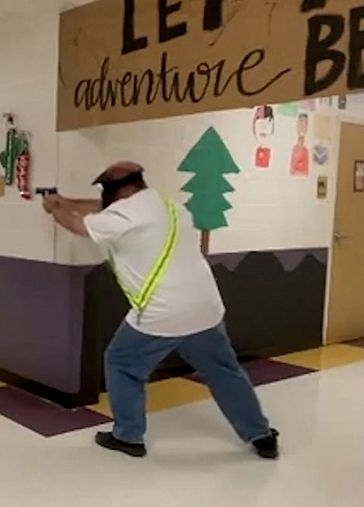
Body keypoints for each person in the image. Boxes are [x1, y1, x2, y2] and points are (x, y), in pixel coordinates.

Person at [42, 161, 279, 459]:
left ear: (119, 190)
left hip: (163, 312)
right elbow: (104, 208)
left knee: (122, 362)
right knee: (223, 371)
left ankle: (128, 436)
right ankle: (261, 435)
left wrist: (55, 209)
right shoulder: (168, 205)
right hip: (205, 308)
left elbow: (79, 226)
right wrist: (68, 201)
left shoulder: (124, 214)